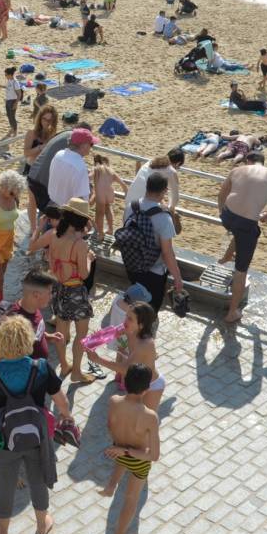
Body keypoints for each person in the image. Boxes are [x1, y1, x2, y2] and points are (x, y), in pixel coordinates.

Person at [0, 314, 74, 534]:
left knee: (5, 482)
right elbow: (62, 401)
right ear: (28, 340)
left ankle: (2, 529)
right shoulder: (41, 368)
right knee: (37, 478)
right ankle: (42, 524)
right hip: (37, 435)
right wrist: (67, 418)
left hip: (2, 439)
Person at [31, 198, 96, 382]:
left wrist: (38, 227)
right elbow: (84, 274)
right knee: (81, 334)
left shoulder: (52, 234)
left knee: (61, 332)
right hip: (75, 291)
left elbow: (31, 246)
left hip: (58, 288)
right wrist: (89, 259)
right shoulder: (80, 244)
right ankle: (76, 372)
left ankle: (64, 365)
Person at [99, 363, 160, 534]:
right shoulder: (150, 416)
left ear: (125, 382)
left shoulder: (113, 401)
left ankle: (111, 486)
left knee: (122, 459)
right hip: (138, 460)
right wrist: (127, 450)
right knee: (131, 499)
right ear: (147, 388)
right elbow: (153, 455)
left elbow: (110, 426)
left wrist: (122, 447)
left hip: (118, 449)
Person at [218, 152, 267, 323]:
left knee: (240, 232)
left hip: (228, 216)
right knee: (241, 271)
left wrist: (221, 212)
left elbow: (222, 194)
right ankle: (232, 312)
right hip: (247, 223)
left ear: (248, 161)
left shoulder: (236, 170)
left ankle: (227, 256)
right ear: (263, 162)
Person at [86, 301, 163, 409]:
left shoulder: (145, 344)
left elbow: (125, 369)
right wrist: (96, 339)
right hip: (137, 383)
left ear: (141, 325)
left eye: (130, 319)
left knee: (145, 418)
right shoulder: (130, 329)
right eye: (126, 316)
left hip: (152, 386)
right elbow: (111, 333)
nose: (125, 320)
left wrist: (98, 359)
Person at [124, 173, 184, 312]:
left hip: (132, 264)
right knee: (150, 309)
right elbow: (167, 253)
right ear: (164, 191)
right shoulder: (163, 217)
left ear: (147, 186)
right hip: (154, 271)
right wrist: (178, 278)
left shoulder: (131, 207)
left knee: (136, 301)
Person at [47, 127, 98, 207]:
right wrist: (95, 193)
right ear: (84, 145)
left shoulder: (58, 154)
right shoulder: (80, 166)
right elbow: (82, 201)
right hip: (67, 209)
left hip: (51, 204)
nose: (91, 147)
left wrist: (87, 178)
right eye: (91, 144)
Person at [90, 154, 125, 240]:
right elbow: (121, 182)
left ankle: (100, 233)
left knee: (99, 213)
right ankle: (110, 229)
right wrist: (126, 190)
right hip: (110, 194)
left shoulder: (96, 169)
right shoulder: (110, 170)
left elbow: (90, 176)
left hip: (100, 194)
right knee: (108, 208)